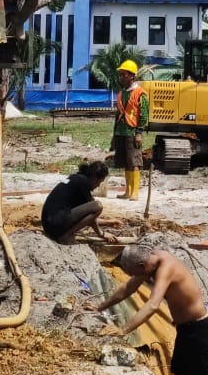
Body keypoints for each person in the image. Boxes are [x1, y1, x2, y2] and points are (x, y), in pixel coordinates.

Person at [92, 245, 208, 375]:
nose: (137, 277)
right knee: (181, 370)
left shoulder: (166, 268)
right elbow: (128, 288)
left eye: (135, 272)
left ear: (141, 265)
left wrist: (123, 329)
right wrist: (99, 307)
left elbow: (153, 304)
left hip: (199, 329)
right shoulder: (150, 261)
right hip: (186, 329)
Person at [41, 160, 110, 244]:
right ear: (96, 177)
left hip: (49, 224)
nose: (98, 185)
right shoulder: (83, 182)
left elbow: (86, 218)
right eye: (100, 182)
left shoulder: (77, 178)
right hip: (56, 223)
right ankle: (66, 236)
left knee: (94, 205)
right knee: (97, 206)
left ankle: (66, 234)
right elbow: (92, 215)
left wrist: (108, 222)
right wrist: (101, 233)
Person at [112, 59, 149, 201]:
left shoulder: (140, 93)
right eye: (120, 75)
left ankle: (135, 192)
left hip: (132, 132)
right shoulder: (121, 93)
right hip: (121, 132)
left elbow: (144, 114)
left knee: (134, 163)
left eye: (124, 75)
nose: (121, 77)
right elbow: (118, 114)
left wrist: (139, 133)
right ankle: (127, 191)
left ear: (132, 75)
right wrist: (114, 133)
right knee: (125, 163)